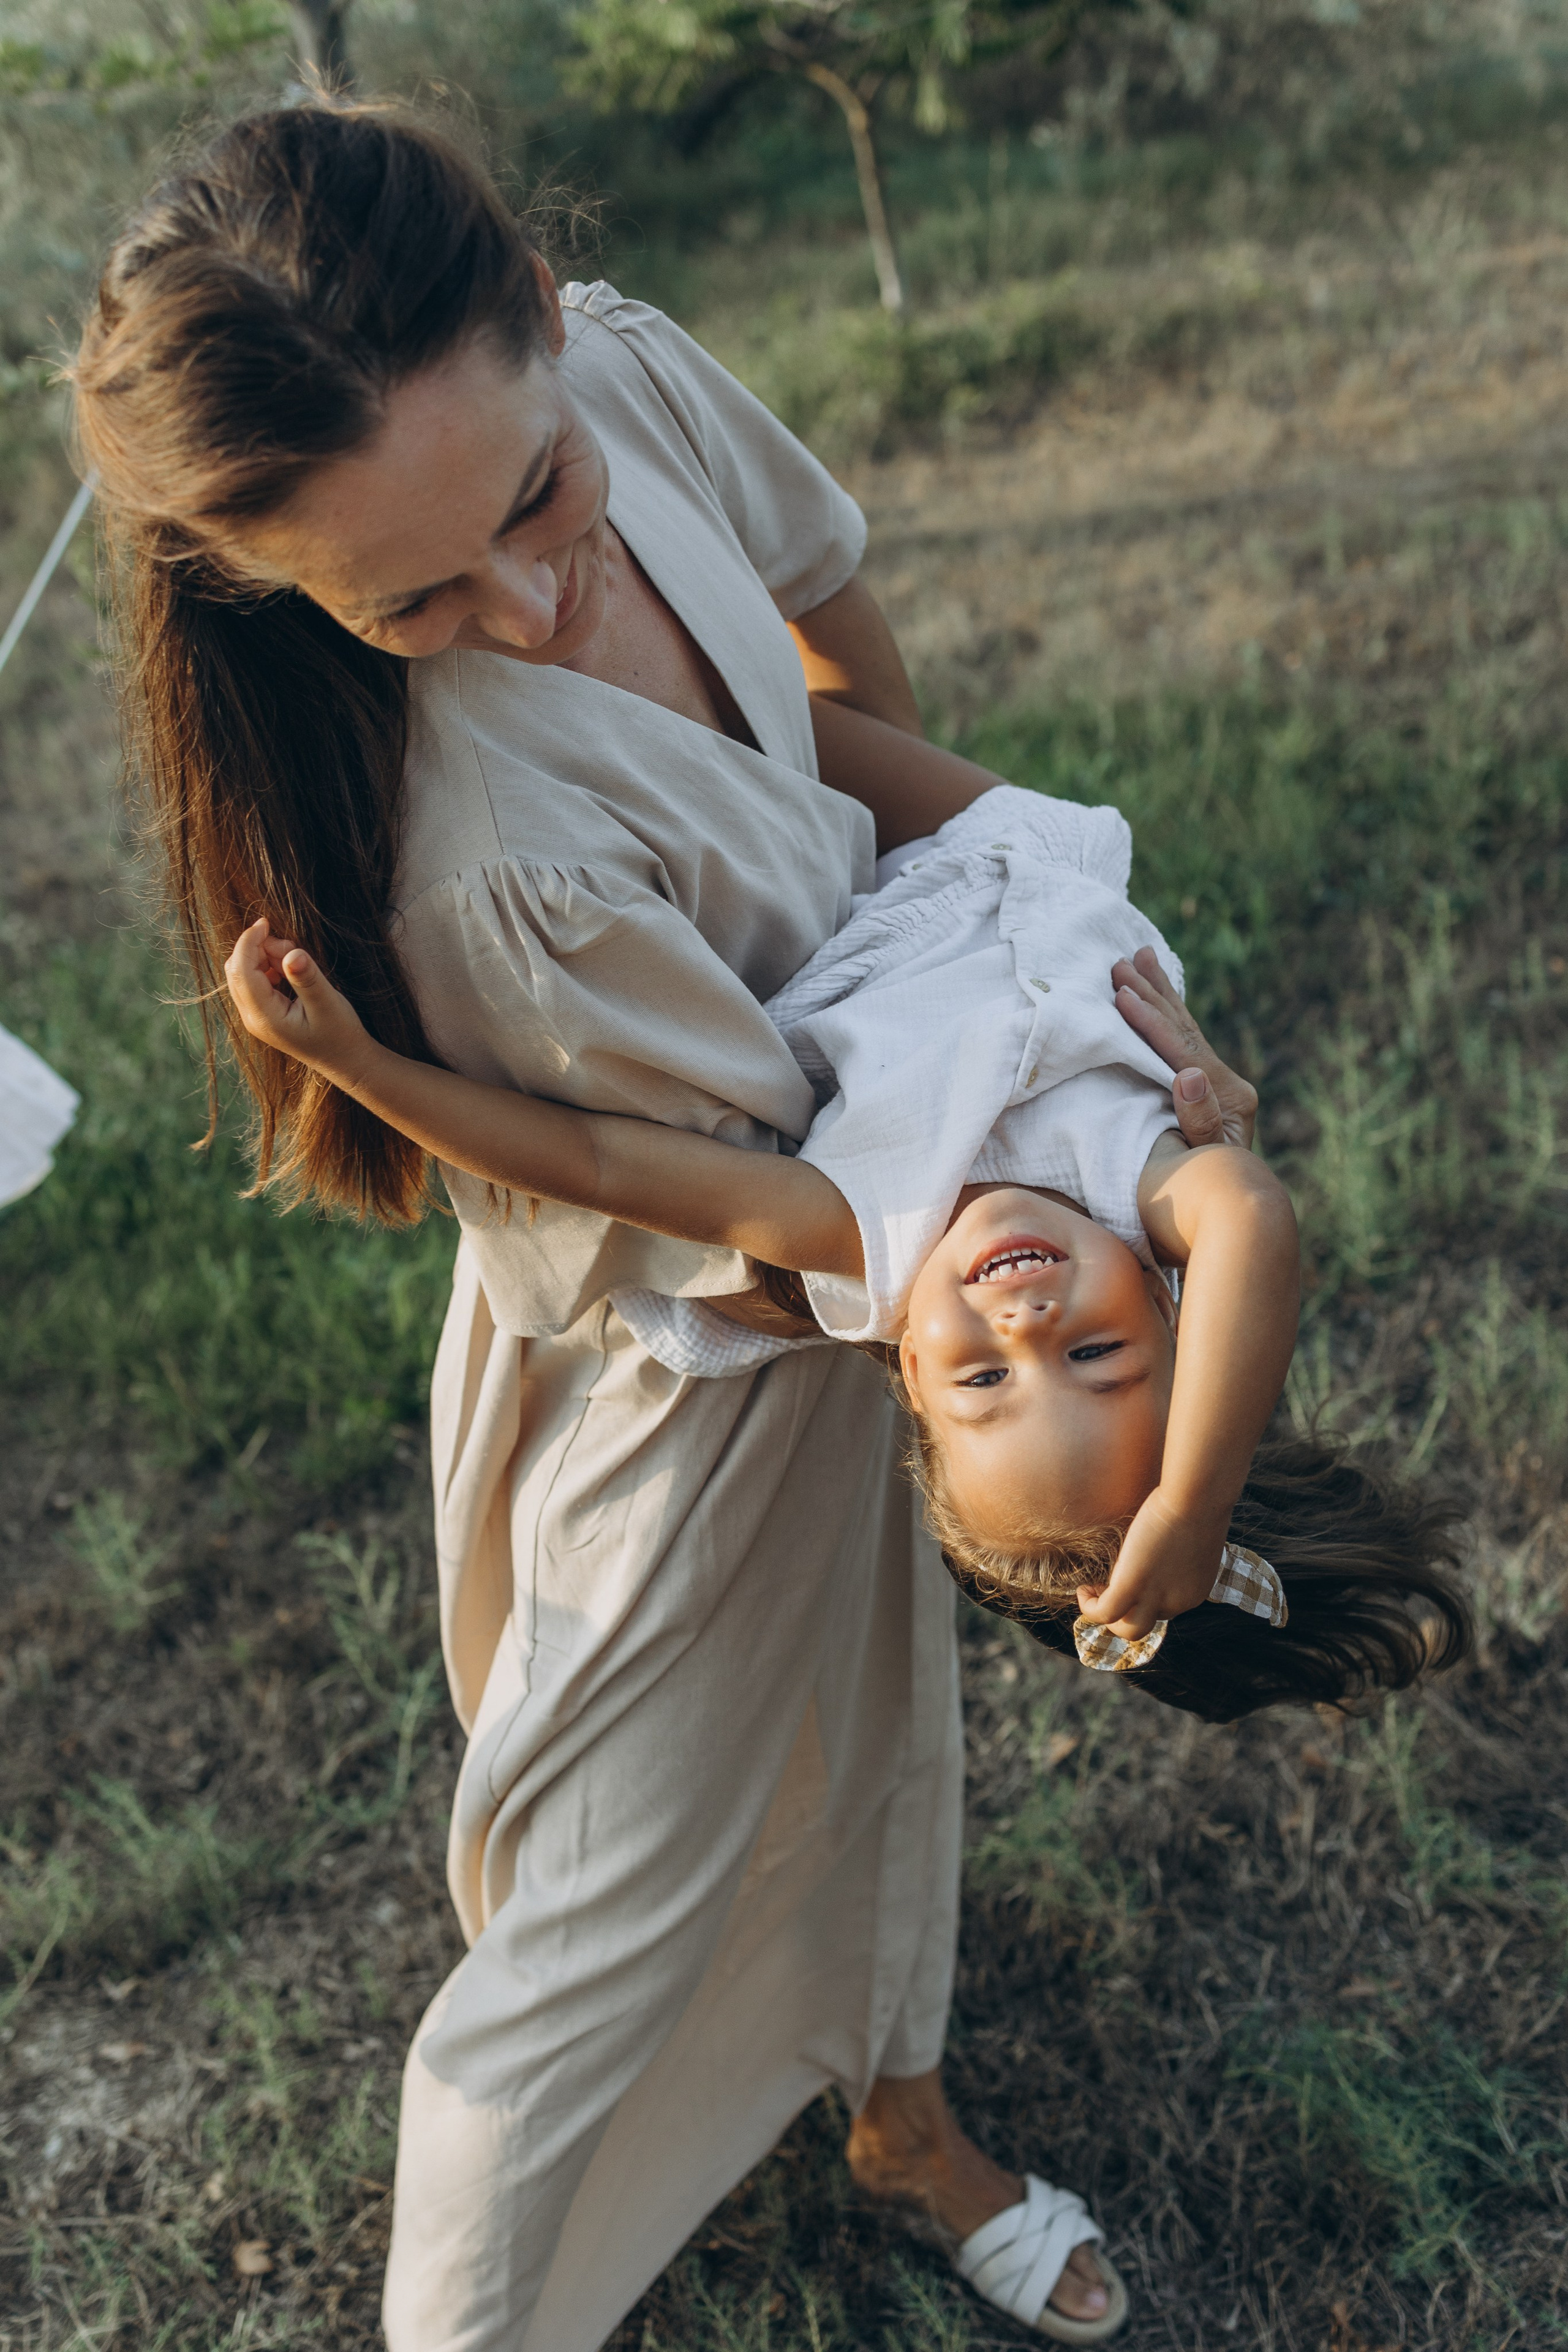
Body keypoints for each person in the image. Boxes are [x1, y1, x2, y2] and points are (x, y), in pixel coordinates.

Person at [70, 99, 1149, 2348]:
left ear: (548, 322)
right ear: (280, 590)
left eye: (537, 505)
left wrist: (1040, 926)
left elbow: (841, 686)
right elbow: (755, 1214)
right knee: (591, 1924)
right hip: (705, 1349)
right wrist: (1106, 1152)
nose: (532, 604)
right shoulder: (498, 869)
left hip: (889, 1242)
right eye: (413, 602)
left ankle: (900, 2116)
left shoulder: (630, 376)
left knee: (885, 1719)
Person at [225, 782, 1469, 1724]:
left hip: (859, 863)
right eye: (1096, 1350)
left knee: (773, 707)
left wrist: (363, 1070)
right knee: (820, 631)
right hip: (1007, 839)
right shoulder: (1138, 1185)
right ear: (1163, 1298)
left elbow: (597, 1166)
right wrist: (1190, 1507)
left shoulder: (862, 1239)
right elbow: (1251, 1219)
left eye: (984, 1384)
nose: (1027, 1331)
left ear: (912, 1374)